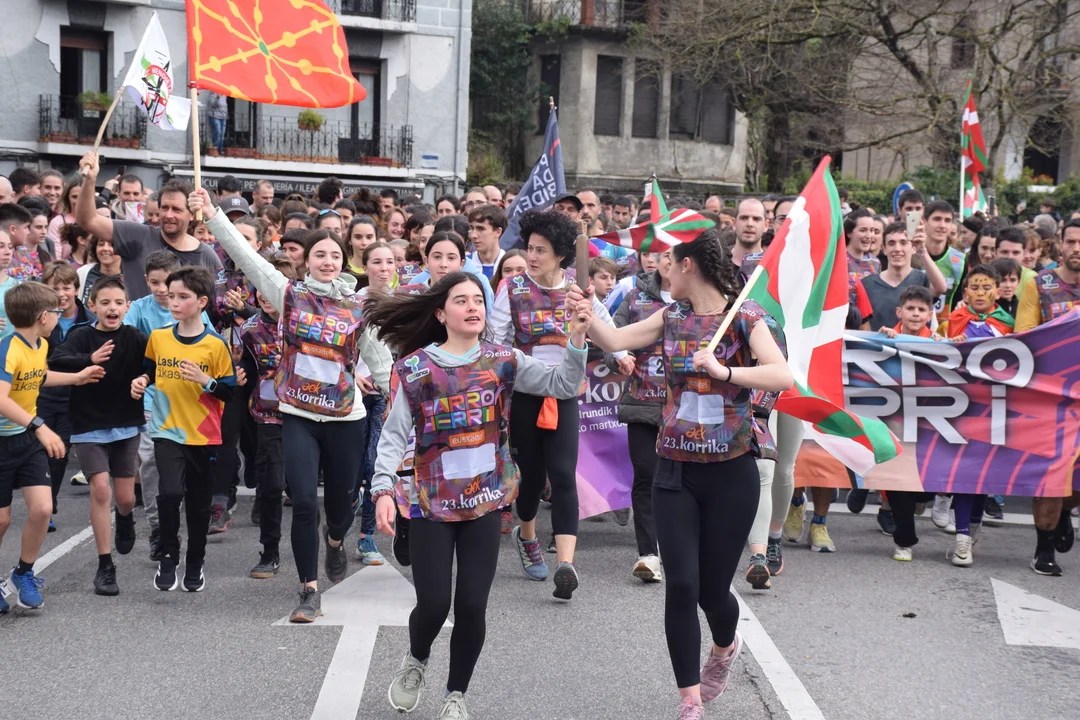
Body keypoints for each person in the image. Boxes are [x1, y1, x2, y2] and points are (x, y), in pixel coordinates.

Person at [569, 229, 792, 719]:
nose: (661, 269)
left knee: (713, 592)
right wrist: (587, 315)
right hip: (675, 469)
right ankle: (689, 699)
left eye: (668, 260)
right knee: (682, 586)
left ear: (689, 264)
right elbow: (616, 339)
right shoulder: (672, 316)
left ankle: (724, 646)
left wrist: (724, 371)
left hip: (731, 471)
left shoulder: (746, 317)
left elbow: (782, 375)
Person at [366, 271, 592, 719]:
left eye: (478, 300)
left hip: (485, 501)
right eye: (461, 300)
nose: (473, 307)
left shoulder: (503, 359)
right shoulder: (414, 368)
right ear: (440, 313)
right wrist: (383, 489)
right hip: (432, 504)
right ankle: (416, 659)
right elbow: (393, 435)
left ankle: (456, 695)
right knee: (434, 605)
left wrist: (578, 338)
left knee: (472, 605)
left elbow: (564, 386)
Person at [191, 187, 393, 621]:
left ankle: (335, 541)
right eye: (319, 254)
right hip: (299, 416)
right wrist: (212, 215)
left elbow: (381, 363)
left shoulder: (359, 309)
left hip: (346, 418)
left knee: (340, 509)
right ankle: (308, 590)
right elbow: (248, 258)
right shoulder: (288, 294)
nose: (327, 261)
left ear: (344, 261)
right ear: (307, 260)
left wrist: (401, 404)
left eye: (334, 255)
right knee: (302, 502)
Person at [488, 209, 628, 600]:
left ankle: (566, 564)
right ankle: (527, 535)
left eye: (541, 251)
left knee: (564, 475)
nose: (532, 257)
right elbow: (496, 342)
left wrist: (621, 355)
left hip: (565, 393)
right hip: (526, 394)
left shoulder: (579, 287)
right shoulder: (512, 289)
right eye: (530, 248)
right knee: (532, 479)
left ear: (561, 255)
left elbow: (605, 327)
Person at [130, 267, 237, 593]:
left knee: (199, 503)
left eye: (182, 297)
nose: (173, 302)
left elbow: (229, 392)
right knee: (170, 492)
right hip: (166, 429)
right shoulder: (159, 337)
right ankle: (168, 556)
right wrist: (142, 380)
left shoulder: (215, 345)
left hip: (203, 435)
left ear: (202, 301)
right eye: (171, 296)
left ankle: (195, 561)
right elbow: (150, 368)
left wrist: (206, 381)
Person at [0, 282, 104, 612]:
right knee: (2, 520)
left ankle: (23, 573)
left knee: (43, 509)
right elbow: (1, 398)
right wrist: (39, 426)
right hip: (5, 441)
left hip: (26, 440)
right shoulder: (8, 348)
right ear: (43, 316)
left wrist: (76, 377)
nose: (60, 316)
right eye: (57, 312)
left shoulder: (40, 344)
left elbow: (38, 376)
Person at [50, 276, 147, 594]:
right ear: (92, 306)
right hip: (88, 425)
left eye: (118, 302)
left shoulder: (134, 337)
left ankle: (125, 517)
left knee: (126, 498)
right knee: (101, 490)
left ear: (127, 307)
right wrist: (87, 360)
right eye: (105, 302)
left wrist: (145, 379)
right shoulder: (81, 336)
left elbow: (155, 364)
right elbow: (55, 360)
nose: (112, 308)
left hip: (126, 423)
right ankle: (105, 566)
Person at [123, 251, 212, 561]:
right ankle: (158, 529)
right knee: (149, 461)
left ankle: (185, 521)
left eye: (168, 284)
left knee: (186, 470)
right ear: (146, 281)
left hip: (188, 402)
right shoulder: (137, 309)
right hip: (152, 399)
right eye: (155, 283)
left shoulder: (193, 309)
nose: (162, 290)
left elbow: (213, 347)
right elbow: (121, 337)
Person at [1014, 217, 1080, 576]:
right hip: (1053, 398)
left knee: (1073, 486)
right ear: (1060, 244)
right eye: (1071, 242)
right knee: (1051, 476)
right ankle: (1044, 550)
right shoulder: (1040, 284)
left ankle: (1066, 512)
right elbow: (1025, 338)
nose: (1077, 249)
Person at [607, 248, 673, 583]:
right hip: (643, 404)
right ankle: (648, 554)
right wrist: (618, 358)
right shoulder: (635, 298)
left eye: (676, 253)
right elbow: (612, 340)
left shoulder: (702, 301)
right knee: (646, 476)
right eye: (664, 253)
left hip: (687, 409)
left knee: (680, 482)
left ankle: (679, 547)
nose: (669, 259)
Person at [76, 153, 221, 299]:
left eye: (176, 210)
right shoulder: (136, 235)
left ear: (191, 214)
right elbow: (88, 220)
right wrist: (89, 180)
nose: (169, 215)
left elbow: (217, 303)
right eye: (164, 208)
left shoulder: (207, 257)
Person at [239, 257, 296, 579]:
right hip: (267, 415)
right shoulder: (249, 329)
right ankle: (269, 551)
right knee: (271, 485)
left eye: (270, 287)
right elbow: (248, 366)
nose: (264, 294)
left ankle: (325, 543)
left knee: (303, 493)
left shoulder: (304, 323)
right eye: (258, 287)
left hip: (305, 415)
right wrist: (240, 372)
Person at [38, 262, 94, 532]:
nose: (61, 294)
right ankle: (44, 503)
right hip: (42, 395)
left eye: (66, 287)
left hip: (75, 397)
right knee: (41, 451)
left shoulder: (89, 320)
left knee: (59, 453)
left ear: (76, 289)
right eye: (54, 288)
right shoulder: (39, 319)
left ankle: (49, 503)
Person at [76, 236, 123, 305]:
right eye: (101, 244)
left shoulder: (132, 278)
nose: (105, 248)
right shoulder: (82, 273)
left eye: (112, 245)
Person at [466, 205, 506, 279]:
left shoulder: (510, 264)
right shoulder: (464, 265)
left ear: (498, 232)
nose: (473, 235)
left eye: (480, 229)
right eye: (471, 228)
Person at [0, 230, 20, 339]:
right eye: (1, 246)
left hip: (12, 347)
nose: (8, 252)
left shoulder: (18, 287)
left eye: (10, 247)